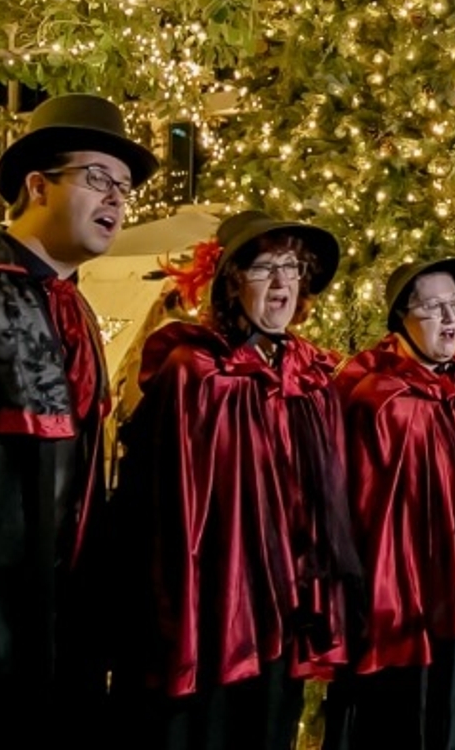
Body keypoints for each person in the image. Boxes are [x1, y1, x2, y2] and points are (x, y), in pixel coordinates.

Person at [109, 209, 363, 750]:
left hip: (285, 610)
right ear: (230, 281)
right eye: (264, 268)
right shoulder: (195, 372)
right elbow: (157, 506)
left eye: (292, 268)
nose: (281, 283)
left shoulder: (312, 380)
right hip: (207, 611)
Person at [0, 92, 159, 750]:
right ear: (37, 184)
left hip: (56, 611)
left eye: (124, 188)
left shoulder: (72, 307)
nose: (117, 199)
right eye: (97, 177)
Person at [323, 256, 455, 750]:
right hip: (409, 608)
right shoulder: (379, 400)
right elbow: (354, 513)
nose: (449, 319)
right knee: (410, 723)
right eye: (433, 307)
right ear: (402, 316)